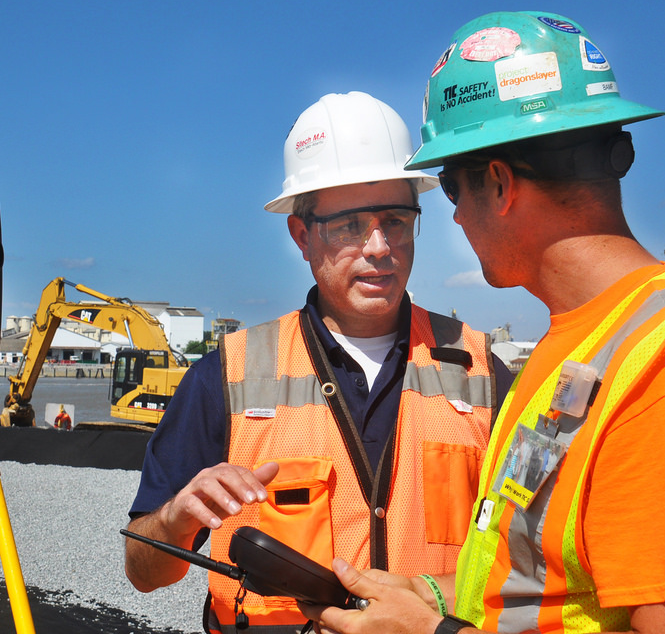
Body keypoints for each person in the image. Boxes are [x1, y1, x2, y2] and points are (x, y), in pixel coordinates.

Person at [300, 12, 665, 634]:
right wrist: (430, 596)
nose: (451, 219)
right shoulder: (581, 347)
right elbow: (537, 578)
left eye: (451, 189)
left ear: (499, 183)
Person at [124, 91, 513, 633]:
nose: (379, 246)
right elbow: (143, 571)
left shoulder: (483, 372)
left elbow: (528, 566)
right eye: (351, 226)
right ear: (302, 235)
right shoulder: (228, 376)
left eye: (396, 220)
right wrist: (174, 520)